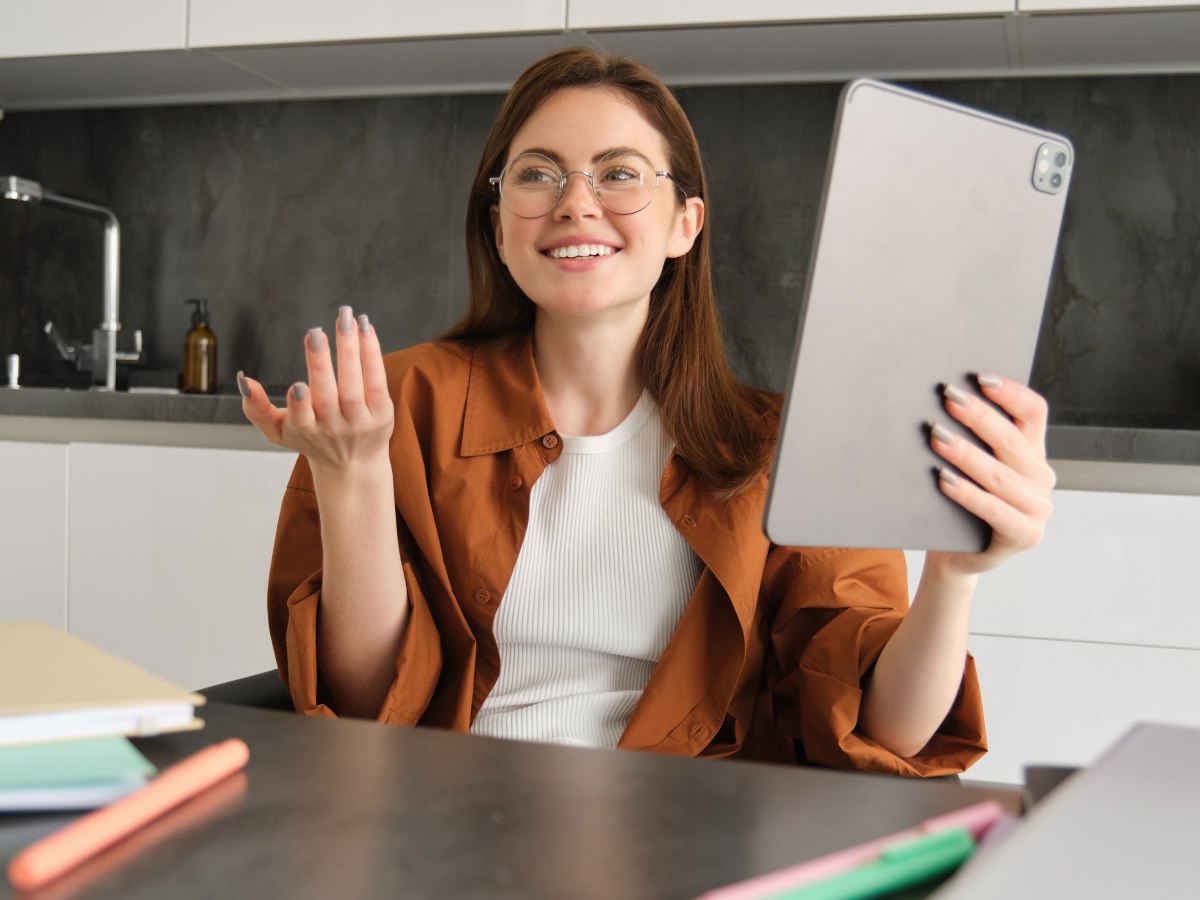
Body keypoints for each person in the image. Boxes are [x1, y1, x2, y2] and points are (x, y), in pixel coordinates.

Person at [238, 47, 1055, 776]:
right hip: (450, 820)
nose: (574, 203)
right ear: (498, 225)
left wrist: (953, 574)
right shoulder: (396, 405)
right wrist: (350, 477)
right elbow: (358, 704)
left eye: (620, 173)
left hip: (685, 837)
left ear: (685, 224)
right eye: (537, 173)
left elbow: (888, 733)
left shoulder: (778, 447)